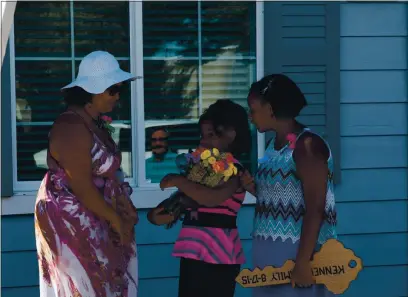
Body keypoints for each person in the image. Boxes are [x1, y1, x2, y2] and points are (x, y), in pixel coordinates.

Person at [34, 51, 139, 297]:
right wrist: (115, 219)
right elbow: (80, 184)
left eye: (119, 90)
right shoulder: (70, 126)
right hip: (75, 223)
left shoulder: (92, 122)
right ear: (92, 91)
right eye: (113, 89)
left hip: (99, 216)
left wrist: (123, 209)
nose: (117, 96)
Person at [242, 74, 337, 297]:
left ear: (271, 109)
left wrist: (303, 262)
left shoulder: (307, 145)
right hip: (270, 253)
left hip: (297, 253)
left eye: (253, 109)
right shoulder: (273, 146)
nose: (250, 116)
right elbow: (286, 198)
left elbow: (316, 207)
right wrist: (254, 188)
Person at [148, 99, 252, 297]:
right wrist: (160, 214)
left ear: (231, 135)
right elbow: (181, 201)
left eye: (211, 135)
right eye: (202, 136)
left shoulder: (234, 171)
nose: (203, 142)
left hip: (220, 256)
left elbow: (212, 198)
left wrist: (181, 181)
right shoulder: (199, 171)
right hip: (192, 250)